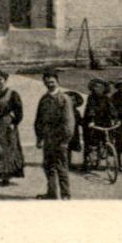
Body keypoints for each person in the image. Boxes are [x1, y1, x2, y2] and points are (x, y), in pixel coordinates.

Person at [34, 69, 77, 200]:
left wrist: (65, 141)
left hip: (60, 140)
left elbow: (69, 122)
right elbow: (39, 120)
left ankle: (65, 194)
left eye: (52, 82)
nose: (50, 84)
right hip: (48, 139)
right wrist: (39, 138)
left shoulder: (64, 99)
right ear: (44, 83)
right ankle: (52, 193)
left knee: (61, 167)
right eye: (47, 82)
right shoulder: (44, 99)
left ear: (58, 82)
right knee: (48, 167)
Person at [81, 79, 114, 171]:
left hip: (103, 122)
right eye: (95, 87)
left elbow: (111, 109)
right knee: (90, 141)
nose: (97, 89)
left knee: (105, 140)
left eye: (100, 87)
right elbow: (91, 109)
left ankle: (100, 160)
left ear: (104, 89)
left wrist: (115, 118)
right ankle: (86, 162)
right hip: (91, 122)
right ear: (92, 88)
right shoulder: (91, 98)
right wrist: (91, 120)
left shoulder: (106, 98)